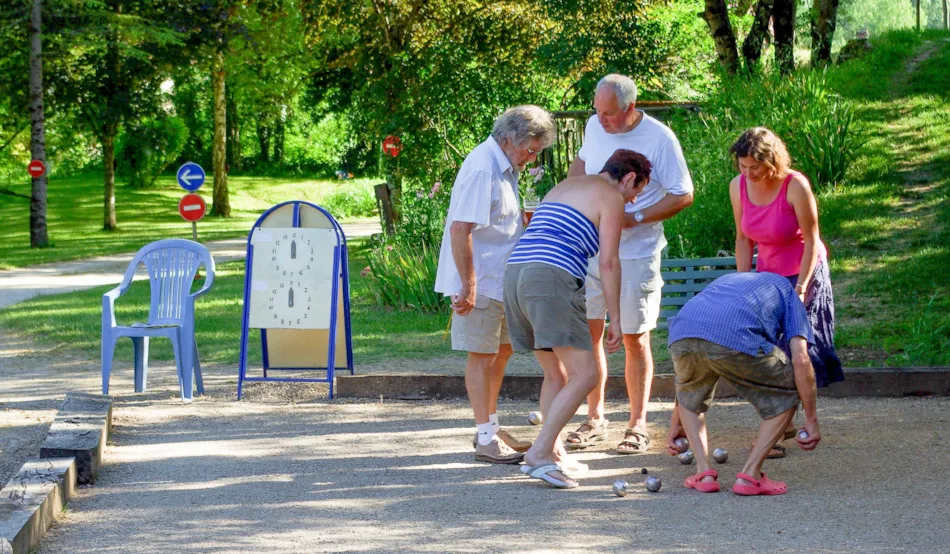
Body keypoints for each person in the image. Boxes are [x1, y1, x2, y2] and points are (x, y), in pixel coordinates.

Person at [506, 150, 651, 488]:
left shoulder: (564, 187)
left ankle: (553, 453)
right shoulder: (611, 197)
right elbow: (609, 263)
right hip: (549, 276)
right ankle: (539, 453)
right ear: (629, 178)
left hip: (515, 274)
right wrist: (616, 320)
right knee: (588, 374)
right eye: (636, 193)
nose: (630, 202)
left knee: (555, 374)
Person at [565, 74, 694, 455]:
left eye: (609, 114)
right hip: (591, 249)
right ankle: (594, 417)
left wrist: (634, 219)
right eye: (597, 111)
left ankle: (637, 424)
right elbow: (580, 167)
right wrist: (575, 201)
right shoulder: (594, 125)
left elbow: (683, 195)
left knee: (635, 338)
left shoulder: (660, 138)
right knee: (588, 333)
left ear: (630, 108)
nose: (601, 119)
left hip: (636, 253)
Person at [434, 105, 555, 464]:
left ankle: (489, 426)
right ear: (508, 138)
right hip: (482, 281)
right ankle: (486, 437)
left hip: (500, 279)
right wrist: (468, 285)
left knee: (500, 354)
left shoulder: (503, 165)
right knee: (482, 357)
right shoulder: (482, 167)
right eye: (530, 150)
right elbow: (461, 229)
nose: (531, 159)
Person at [728, 127, 842, 458]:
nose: (748, 173)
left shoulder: (795, 185)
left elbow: (810, 238)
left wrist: (803, 286)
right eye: (742, 166)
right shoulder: (737, 187)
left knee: (798, 350)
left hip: (804, 269)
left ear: (772, 161)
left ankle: (805, 422)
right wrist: (742, 282)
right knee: (767, 352)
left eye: (754, 167)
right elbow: (743, 238)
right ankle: (782, 423)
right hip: (767, 274)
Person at [667, 272, 822, 496]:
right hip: (733, 337)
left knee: (692, 390)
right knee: (790, 387)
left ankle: (704, 474)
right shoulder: (790, 294)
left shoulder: (729, 280)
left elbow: (686, 387)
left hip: (681, 334)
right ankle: (750, 476)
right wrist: (811, 420)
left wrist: (676, 425)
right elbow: (801, 359)